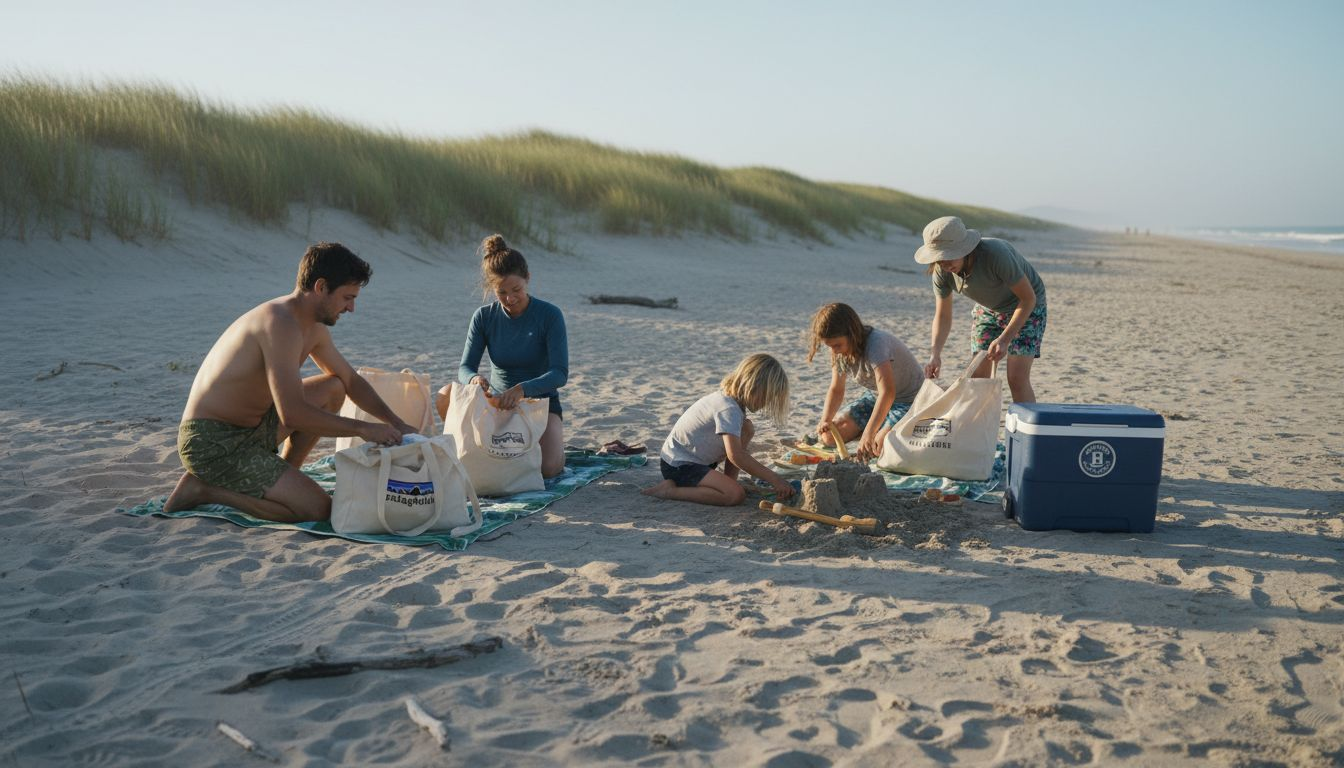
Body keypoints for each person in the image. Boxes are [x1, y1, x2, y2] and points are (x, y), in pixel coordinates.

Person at [165, 242, 415, 522]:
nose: (352, 308)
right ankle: (203, 489)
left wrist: (395, 422)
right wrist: (364, 428)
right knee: (319, 510)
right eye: (347, 297)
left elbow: (350, 380)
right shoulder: (279, 323)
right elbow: (292, 414)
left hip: (255, 429)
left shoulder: (312, 326)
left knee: (334, 388)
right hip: (213, 443)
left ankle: (286, 473)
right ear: (321, 287)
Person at [436, 234, 569, 478]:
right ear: (491, 289)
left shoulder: (550, 315)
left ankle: (552, 446)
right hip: (496, 402)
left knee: (549, 468)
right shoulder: (483, 317)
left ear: (528, 278)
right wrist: (474, 379)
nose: (510, 299)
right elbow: (465, 367)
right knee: (445, 394)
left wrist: (522, 390)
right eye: (501, 292)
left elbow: (559, 374)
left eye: (516, 290)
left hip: (539, 403)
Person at [916, 216, 1047, 403]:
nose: (945, 263)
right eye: (939, 258)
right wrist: (935, 354)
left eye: (950, 255)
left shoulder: (996, 254)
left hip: (1026, 306)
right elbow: (943, 315)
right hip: (988, 309)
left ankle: (1028, 422)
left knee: (1016, 378)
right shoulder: (942, 271)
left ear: (966, 249)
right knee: (978, 378)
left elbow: (1028, 299)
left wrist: (1004, 339)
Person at [642, 353, 795, 506]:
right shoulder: (728, 408)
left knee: (747, 428)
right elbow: (736, 456)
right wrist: (775, 479)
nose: (767, 402)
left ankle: (728, 481)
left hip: (696, 460)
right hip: (679, 465)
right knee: (734, 495)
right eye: (767, 396)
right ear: (754, 386)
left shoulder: (732, 402)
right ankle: (669, 491)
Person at [807, 303, 924, 460]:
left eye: (837, 345)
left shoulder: (876, 344)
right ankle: (878, 427)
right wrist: (825, 419)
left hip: (909, 400)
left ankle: (879, 430)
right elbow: (836, 389)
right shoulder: (838, 352)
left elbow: (888, 392)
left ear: (852, 334)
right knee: (829, 437)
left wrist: (869, 433)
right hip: (875, 398)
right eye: (830, 346)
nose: (834, 351)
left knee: (879, 446)